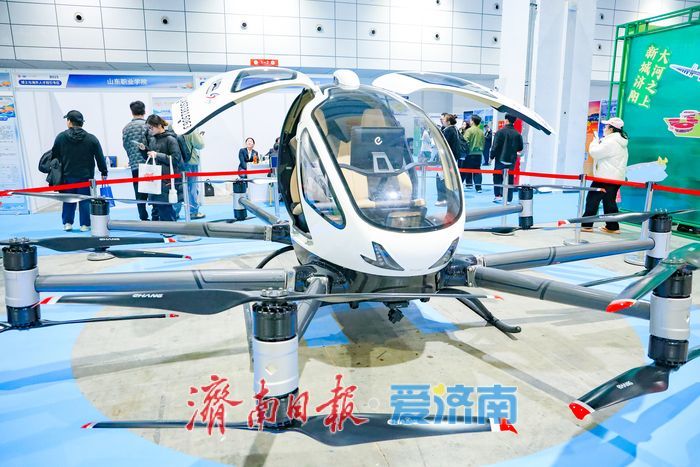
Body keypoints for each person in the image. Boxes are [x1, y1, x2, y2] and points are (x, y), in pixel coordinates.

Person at [51, 110, 108, 231]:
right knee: (85, 200)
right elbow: (99, 156)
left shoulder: (61, 137)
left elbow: (54, 155)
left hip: (67, 176)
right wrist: (104, 171)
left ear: (69, 122)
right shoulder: (91, 138)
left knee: (68, 200)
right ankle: (85, 225)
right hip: (86, 176)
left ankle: (67, 223)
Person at [581, 117, 629, 234]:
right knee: (609, 202)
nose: (604, 128)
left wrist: (594, 142)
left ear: (611, 129)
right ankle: (612, 227)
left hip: (605, 177)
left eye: (606, 126)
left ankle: (587, 225)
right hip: (615, 177)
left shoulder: (611, 141)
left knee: (592, 199)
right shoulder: (620, 141)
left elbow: (595, 153)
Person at [137, 114, 183, 222]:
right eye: (148, 128)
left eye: (151, 127)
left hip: (166, 179)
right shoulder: (153, 139)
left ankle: (170, 228)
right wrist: (144, 150)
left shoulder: (170, 139)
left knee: (165, 208)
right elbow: (150, 158)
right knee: (156, 207)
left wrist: (157, 155)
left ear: (158, 125)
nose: (149, 130)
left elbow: (176, 159)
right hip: (156, 179)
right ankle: (161, 227)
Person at [121, 101, 152, 221]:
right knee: (154, 190)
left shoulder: (126, 128)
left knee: (139, 192)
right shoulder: (148, 126)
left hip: (135, 164)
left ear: (132, 112)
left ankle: (143, 216)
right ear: (144, 110)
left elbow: (125, 145)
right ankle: (156, 215)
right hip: (149, 163)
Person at [490, 114, 523, 203]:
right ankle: (508, 198)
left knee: (497, 176)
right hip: (511, 160)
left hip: (500, 158)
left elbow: (495, 147)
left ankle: (498, 195)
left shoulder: (499, 132)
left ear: (506, 120)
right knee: (509, 178)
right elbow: (520, 147)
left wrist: (491, 157)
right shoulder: (517, 134)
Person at [438, 113, 463, 206]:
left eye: (443, 119)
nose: (441, 121)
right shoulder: (454, 129)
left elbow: (444, 144)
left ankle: (443, 198)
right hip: (452, 157)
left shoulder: (449, 130)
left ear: (448, 122)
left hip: (448, 158)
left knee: (442, 177)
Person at [181, 130, 206, 219]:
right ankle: (193, 212)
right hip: (190, 162)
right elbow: (200, 145)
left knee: (178, 188)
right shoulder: (190, 130)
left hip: (178, 163)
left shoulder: (172, 128)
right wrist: (199, 136)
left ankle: (175, 212)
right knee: (192, 188)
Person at [464, 114, 485, 192]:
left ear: (472, 121)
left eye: (470, 120)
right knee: (477, 170)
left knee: (465, 170)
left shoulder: (469, 130)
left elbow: (465, 141)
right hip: (479, 154)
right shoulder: (481, 131)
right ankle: (478, 188)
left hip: (470, 153)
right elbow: (483, 142)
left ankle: (466, 184)